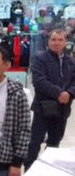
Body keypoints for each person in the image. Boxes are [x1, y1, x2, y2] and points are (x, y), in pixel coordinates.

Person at [29, 29, 72, 164]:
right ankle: (30, 171)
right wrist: (59, 93)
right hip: (42, 108)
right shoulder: (39, 59)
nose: (56, 43)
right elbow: (39, 81)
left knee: (54, 144)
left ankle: (48, 171)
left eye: (60, 40)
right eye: (53, 39)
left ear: (65, 42)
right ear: (48, 42)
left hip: (62, 109)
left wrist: (69, 93)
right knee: (34, 143)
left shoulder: (70, 62)